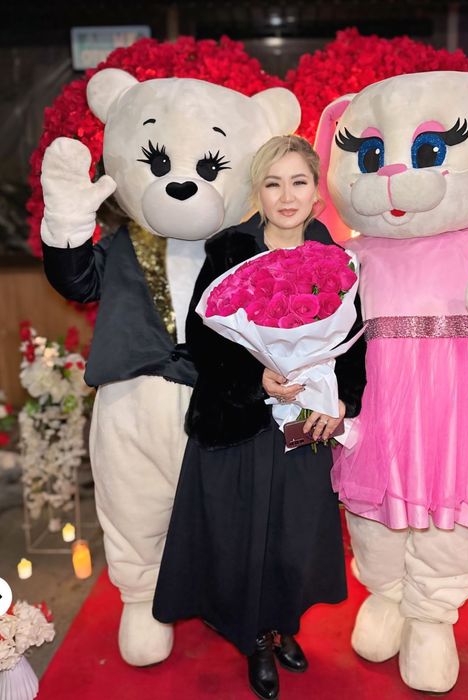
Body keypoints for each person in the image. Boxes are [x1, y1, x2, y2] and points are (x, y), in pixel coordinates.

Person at [153, 135, 366, 699]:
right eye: (273, 184)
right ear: (258, 192)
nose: (286, 196)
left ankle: (283, 624)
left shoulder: (335, 256)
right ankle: (255, 638)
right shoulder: (229, 249)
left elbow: (353, 341)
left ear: (316, 192)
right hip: (237, 422)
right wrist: (256, 379)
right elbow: (202, 338)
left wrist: (344, 401)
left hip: (304, 423)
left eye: (298, 182)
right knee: (242, 536)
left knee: (293, 533)